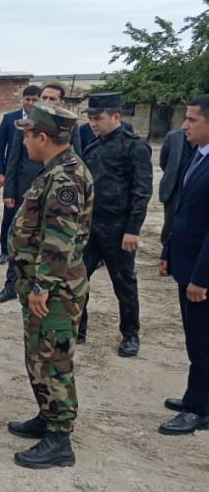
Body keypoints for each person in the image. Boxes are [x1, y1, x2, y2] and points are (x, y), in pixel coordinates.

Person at [5, 103, 93, 469]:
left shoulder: (65, 178)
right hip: (45, 284)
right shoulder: (56, 170)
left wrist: (41, 286)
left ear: (42, 137)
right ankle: (47, 414)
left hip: (55, 289)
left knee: (53, 359)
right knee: (39, 356)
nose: (24, 141)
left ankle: (59, 438)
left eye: (27, 135)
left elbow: (59, 240)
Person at [77, 92, 153, 356]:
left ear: (116, 116)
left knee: (124, 282)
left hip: (119, 227)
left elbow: (142, 191)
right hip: (91, 225)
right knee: (78, 278)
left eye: (98, 118)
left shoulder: (134, 147)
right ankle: (78, 328)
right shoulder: (92, 147)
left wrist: (133, 229)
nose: (93, 124)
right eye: (90, 119)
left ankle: (130, 334)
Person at [0, 83, 82, 304]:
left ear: (61, 102)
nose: (47, 102)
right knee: (21, 235)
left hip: (50, 192)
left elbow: (76, 157)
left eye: (52, 99)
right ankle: (12, 284)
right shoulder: (29, 124)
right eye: (45, 97)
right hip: (27, 190)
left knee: (49, 237)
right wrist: (9, 190)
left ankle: (43, 286)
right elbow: (13, 158)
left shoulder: (68, 134)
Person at [157, 94, 209, 435]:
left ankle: (198, 409)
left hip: (200, 273)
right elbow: (185, 213)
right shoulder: (199, 155)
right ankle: (198, 395)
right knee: (195, 337)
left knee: (203, 341)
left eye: (192, 119)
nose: (184, 125)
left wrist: (202, 279)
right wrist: (168, 251)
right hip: (186, 261)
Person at [0, 85, 40, 265]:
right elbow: (0, 148)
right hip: (13, 176)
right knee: (9, 215)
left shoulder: (44, 122)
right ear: (22, 99)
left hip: (35, 177)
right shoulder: (9, 119)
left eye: (34, 99)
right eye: (27, 99)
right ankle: (5, 250)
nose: (30, 103)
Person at [158, 128, 197, 246]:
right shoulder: (173, 137)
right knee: (170, 226)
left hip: (196, 191)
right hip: (174, 190)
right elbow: (163, 162)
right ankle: (167, 250)